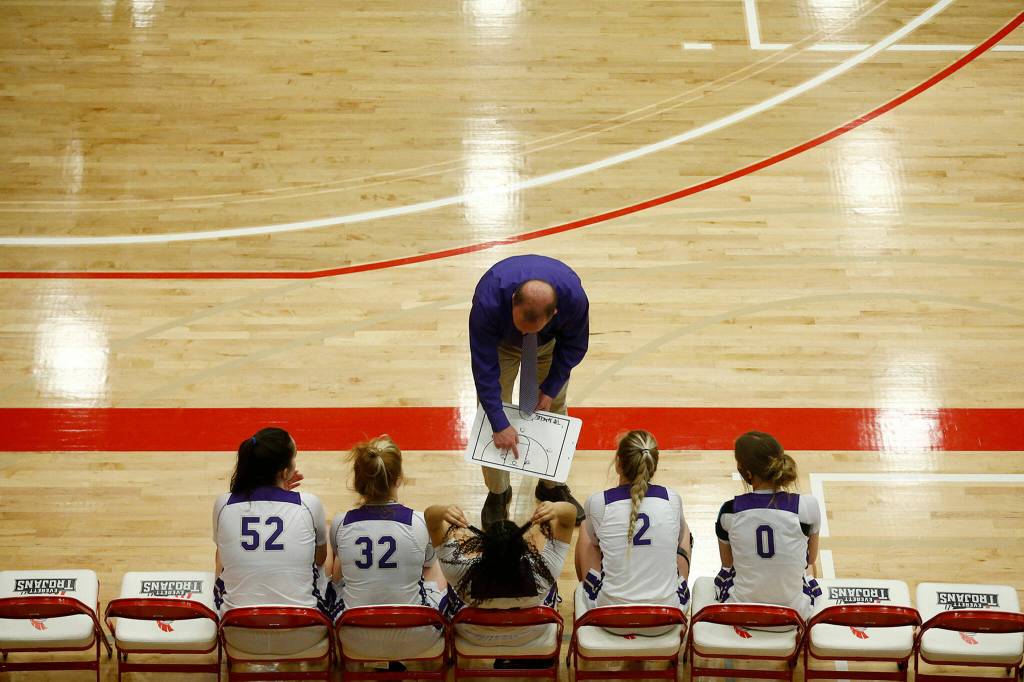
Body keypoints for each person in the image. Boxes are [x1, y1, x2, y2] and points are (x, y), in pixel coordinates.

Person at [469, 254, 590, 528]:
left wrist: (549, 389)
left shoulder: (574, 299)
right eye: (521, 326)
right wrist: (499, 423)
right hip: (500, 344)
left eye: (530, 328)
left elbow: (574, 346)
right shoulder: (488, 300)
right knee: (491, 413)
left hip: (547, 344)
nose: (525, 333)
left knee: (555, 406)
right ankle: (498, 493)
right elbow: (483, 365)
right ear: (513, 300)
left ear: (554, 313)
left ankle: (551, 486)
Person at [212, 427, 332, 653]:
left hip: (237, 632)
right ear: (285, 471)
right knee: (323, 536)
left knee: (222, 551)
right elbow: (320, 559)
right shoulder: (308, 503)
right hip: (304, 632)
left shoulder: (223, 504)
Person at [330, 435, 446, 664]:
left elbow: (339, 569)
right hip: (415, 636)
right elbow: (428, 564)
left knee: (342, 561)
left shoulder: (341, 522)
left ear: (358, 481)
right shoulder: (419, 521)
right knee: (437, 562)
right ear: (399, 479)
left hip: (353, 639)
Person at [425, 500, 575, 662]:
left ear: (481, 548)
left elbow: (432, 523)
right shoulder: (543, 573)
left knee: (450, 587)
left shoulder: (460, 572)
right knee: (552, 586)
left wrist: (443, 510)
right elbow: (568, 520)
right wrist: (556, 508)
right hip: (531, 635)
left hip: (475, 637)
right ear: (523, 548)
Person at [574, 430, 691, 631]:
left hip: (611, 618)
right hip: (666, 618)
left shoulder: (598, 502)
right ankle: (668, 587)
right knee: (685, 531)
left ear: (618, 464)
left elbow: (594, 543)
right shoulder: (671, 498)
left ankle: (589, 589)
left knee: (586, 526)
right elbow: (679, 540)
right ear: (653, 465)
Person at [714, 431, 821, 619]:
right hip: (793, 616)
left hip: (742, 613)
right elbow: (810, 558)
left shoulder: (729, 511)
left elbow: (728, 563)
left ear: (746, 473)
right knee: (809, 569)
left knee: (728, 573)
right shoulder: (808, 506)